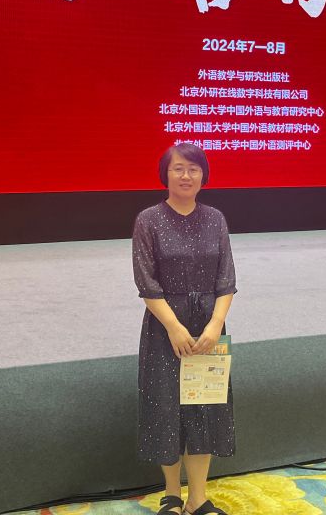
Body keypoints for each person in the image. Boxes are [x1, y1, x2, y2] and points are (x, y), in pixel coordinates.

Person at [132, 143, 237, 515]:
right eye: (178, 168)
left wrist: (215, 325)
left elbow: (226, 280)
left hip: (209, 327)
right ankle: (172, 494)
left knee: (204, 405)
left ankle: (198, 498)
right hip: (165, 327)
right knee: (167, 407)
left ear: (203, 175)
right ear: (166, 174)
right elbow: (146, 283)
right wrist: (174, 328)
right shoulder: (148, 219)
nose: (186, 176)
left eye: (193, 169)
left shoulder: (215, 219)